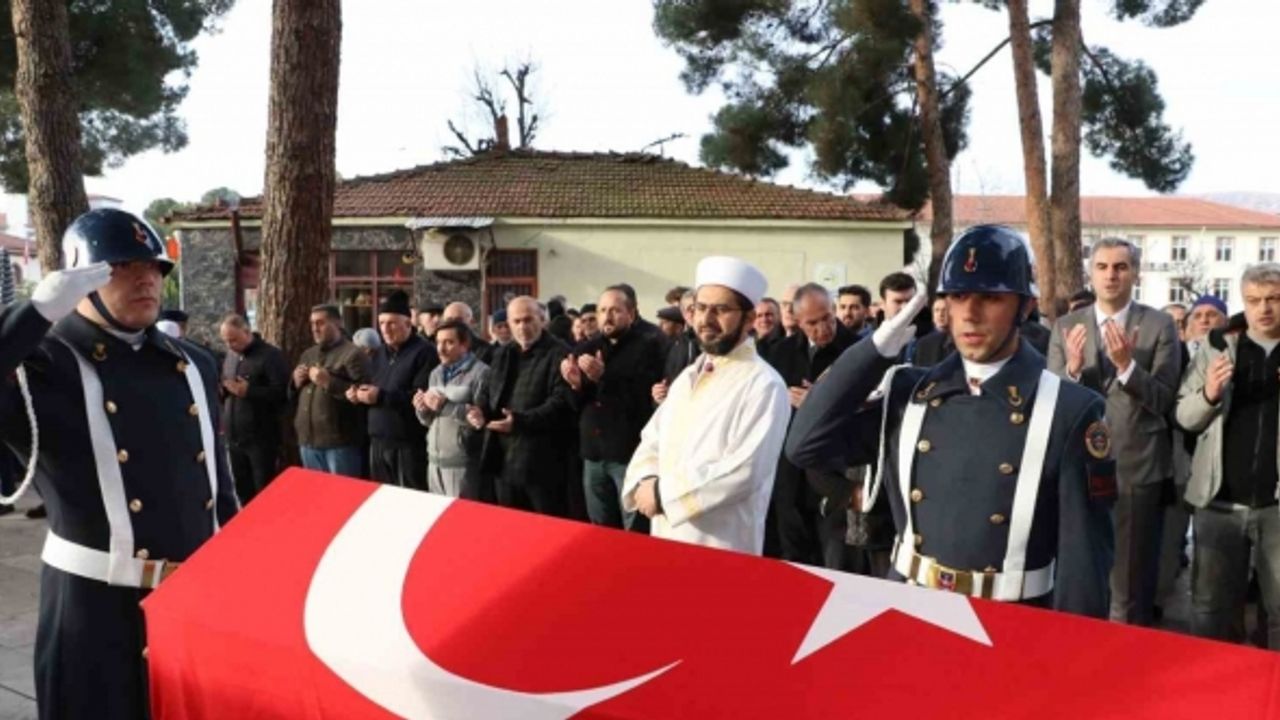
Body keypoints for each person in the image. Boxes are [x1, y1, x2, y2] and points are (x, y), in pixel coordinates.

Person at [787, 225, 1115, 617]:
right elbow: (804, 444)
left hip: (1012, 618)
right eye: (958, 296)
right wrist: (874, 350)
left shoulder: (1069, 410)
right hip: (909, 606)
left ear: (1025, 307)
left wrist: (1071, 649)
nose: (970, 315)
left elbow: (1084, 563)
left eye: (990, 298)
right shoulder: (909, 393)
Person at [0, 208, 238, 718]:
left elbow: (218, 486)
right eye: (121, 267)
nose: (145, 278)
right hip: (93, 612)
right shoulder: (42, 363)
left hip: (191, 602)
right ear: (79, 280)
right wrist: (34, 314)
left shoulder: (192, 362)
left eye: (153, 267)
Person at [1048, 236, 1179, 626]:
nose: (1111, 276)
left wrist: (1127, 367)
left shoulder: (1159, 325)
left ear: (1135, 273)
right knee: (1079, 573)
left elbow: (1164, 400)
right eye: (1102, 267)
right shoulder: (1066, 325)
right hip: (1077, 468)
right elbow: (1051, 400)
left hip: (1135, 466)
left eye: (1120, 267)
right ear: (1090, 273)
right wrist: (1072, 371)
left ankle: (1127, 655)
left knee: (1128, 584)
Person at [622, 256, 790, 554]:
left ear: (749, 319)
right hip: (666, 532)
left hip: (723, 543)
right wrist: (646, 480)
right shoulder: (688, 376)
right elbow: (652, 440)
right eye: (700, 308)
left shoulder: (764, 383)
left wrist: (662, 494)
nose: (706, 319)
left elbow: (746, 470)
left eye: (721, 309)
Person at [1177, 263, 1280, 648]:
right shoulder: (1218, 347)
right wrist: (1209, 394)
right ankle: (1210, 680)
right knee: (1209, 610)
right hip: (1218, 502)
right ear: (1243, 303)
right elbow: (1185, 417)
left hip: (1276, 507)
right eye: (1254, 300)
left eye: (1273, 299)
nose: (1264, 308)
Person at [765, 283, 861, 566]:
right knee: (793, 561)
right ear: (797, 321)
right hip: (789, 476)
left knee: (837, 564)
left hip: (835, 475)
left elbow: (871, 409)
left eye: (827, 318)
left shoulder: (857, 352)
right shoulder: (780, 353)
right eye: (812, 323)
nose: (823, 328)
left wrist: (818, 403)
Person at [561, 286, 666, 530]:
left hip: (627, 452)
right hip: (593, 454)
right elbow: (574, 405)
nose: (607, 317)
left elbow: (645, 399)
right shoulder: (586, 348)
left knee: (634, 527)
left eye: (615, 311)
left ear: (631, 314)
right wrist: (575, 385)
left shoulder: (649, 347)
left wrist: (603, 378)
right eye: (602, 310)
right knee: (600, 527)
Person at [467, 296, 575, 515]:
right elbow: (488, 392)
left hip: (542, 462)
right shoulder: (503, 353)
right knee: (511, 526)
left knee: (546, 527)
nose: (522, 327)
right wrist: (479, 411)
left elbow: (560, 403)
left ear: (542, 320)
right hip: (503, 460)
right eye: (516, 321)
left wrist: (519, 421)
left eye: (528, 320)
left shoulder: (559, 353)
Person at [348, 290, 437, 490]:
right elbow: (372, 385)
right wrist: (358, 394)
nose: (385, 329)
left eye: (391, 323)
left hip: (408, 444)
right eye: (381, 323)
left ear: (408, 323)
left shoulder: (424, 353)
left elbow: (420, 397)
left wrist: (381, 397)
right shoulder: (379, 353)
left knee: (409, 500)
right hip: (377, 441)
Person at [292, 304, 370, 477]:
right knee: (317, 492)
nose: (315, 328)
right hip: (308, 440)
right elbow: (293, 393)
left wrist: (329, 382)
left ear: (338, 323)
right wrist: (295, 382)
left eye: (320, 323)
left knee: (343, 493)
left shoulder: (353, 354)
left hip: (340, 443)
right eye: (312, 324)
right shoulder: (308, 354)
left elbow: (364, 395)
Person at [218, 314, 289, 504]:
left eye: (233, 339)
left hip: (261, 439)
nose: (230, 345)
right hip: (235, 438)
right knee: (242, 490)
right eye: (226, 341)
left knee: (264, 492)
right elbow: (228, 386)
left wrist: (249, 391)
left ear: (247, 332)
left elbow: (282, 393)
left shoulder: (270, 355)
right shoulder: (231, 356)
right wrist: (223, 390)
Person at [414, 320, 489, 498]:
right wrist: (422, 408)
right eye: (438, 342)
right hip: (434, 461)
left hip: (462, 464)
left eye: (449, 342)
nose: (441, 349)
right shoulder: (435, 373)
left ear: (464, 345)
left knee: (463, 514)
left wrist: (445, 405)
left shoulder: (481, 373)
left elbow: (480, 421)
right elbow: (428, 421)